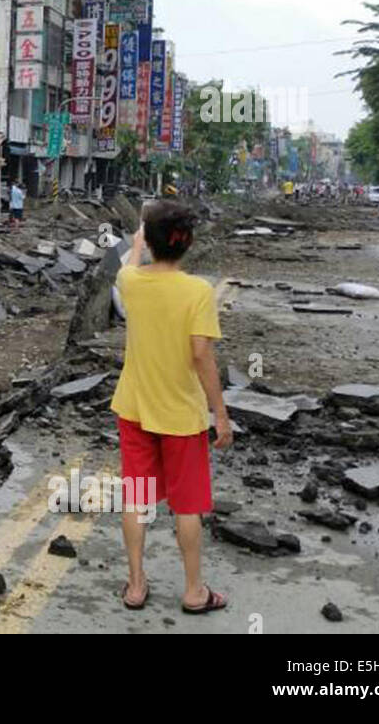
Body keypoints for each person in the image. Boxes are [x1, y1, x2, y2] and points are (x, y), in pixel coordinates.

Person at [111, 201, 231, 615]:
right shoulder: (197, 291)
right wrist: (221, 412)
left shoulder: (130, 281)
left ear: (151, 241)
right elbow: (201, 356)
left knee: (138, 498)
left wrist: (138, 241)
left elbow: (130, 262)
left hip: (135, 409)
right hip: (181, 418)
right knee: (187, 505)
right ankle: (194, 591)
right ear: (187, 242)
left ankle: (136, 585)